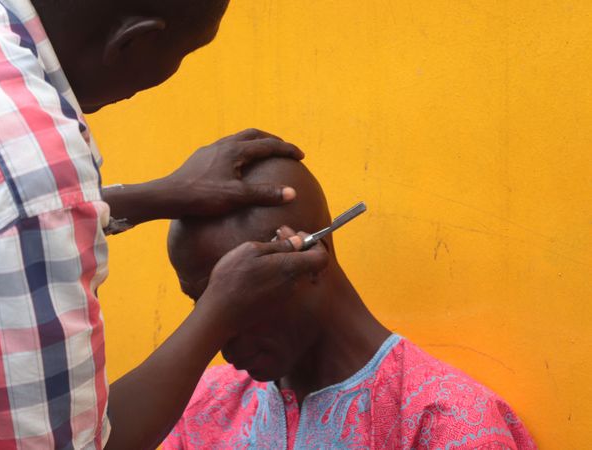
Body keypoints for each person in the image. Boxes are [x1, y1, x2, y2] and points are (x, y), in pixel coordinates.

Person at [0, 1, 329, 449]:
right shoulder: (22, 164)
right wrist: (219, 311)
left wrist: (145, 196)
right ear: (134, 39)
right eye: (185, 52)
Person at [164, 158, 537, 449]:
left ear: (310, 260)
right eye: (202, 303)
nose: (215, 334)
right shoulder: (203, 405)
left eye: (238, 298)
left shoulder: (446, 424)